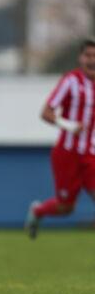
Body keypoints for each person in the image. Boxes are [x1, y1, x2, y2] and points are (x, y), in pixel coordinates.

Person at [25, 39, 95, 238]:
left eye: (94, 56)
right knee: (66, 207)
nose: (91, 60)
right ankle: (37, 211)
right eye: (88, 56)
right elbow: (45, 113)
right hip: (67, 153)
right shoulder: (70, 81)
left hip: (90, 154)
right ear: (80, 58)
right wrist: (70, 125)